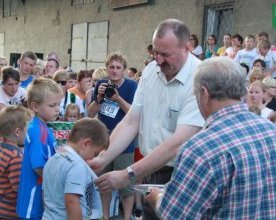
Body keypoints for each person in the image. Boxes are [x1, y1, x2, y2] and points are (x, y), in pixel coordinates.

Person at [144, 56, 276, 219]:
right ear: (242, 91)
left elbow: (174, 215)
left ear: (204, 93)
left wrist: (157, 197)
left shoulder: (200, 149)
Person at [90, 19, 204, 220]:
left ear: (188, 47)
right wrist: (103, 158)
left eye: (165, 54)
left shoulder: (200, 78)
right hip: (150, 170)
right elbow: (132, 121)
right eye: (155, 53)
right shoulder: (151, 72)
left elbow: (179, 142)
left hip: (183, 175)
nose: (158, 60)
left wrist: (128, 174)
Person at [87, 52, 138, 220]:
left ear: (123, 70)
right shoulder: (101, 84)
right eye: (111, 67)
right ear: (106, 68)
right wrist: (99, 98)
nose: (114, 71)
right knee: (103, 182)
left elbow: (134, 112)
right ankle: (106, 217)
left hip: (124, 141)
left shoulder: (131, 86)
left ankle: (127, 217)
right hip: (103, 140)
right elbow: (90, 112)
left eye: (118, 67)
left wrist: (118, 98)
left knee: (127, 185)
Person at [42, 118, 109, 219]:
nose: (93, 158)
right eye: (95, 153)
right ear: (85, 143)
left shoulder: (52, 160)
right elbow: (72, 202)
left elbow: (45, 195)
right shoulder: (77, 165)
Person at [17, 78, 63, 219]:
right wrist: (58, 183)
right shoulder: (39, 132)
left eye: (59, 104)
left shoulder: (41, 127)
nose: (57, 109)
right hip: (35, 198)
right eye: (52, 105)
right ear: (35, 106)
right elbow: (38, 166)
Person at [0, 105, 32, 220]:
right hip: (10, 213)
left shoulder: (1, 149)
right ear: (17, 132)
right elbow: (19, 187)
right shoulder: (16, 156)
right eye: (27, 129)